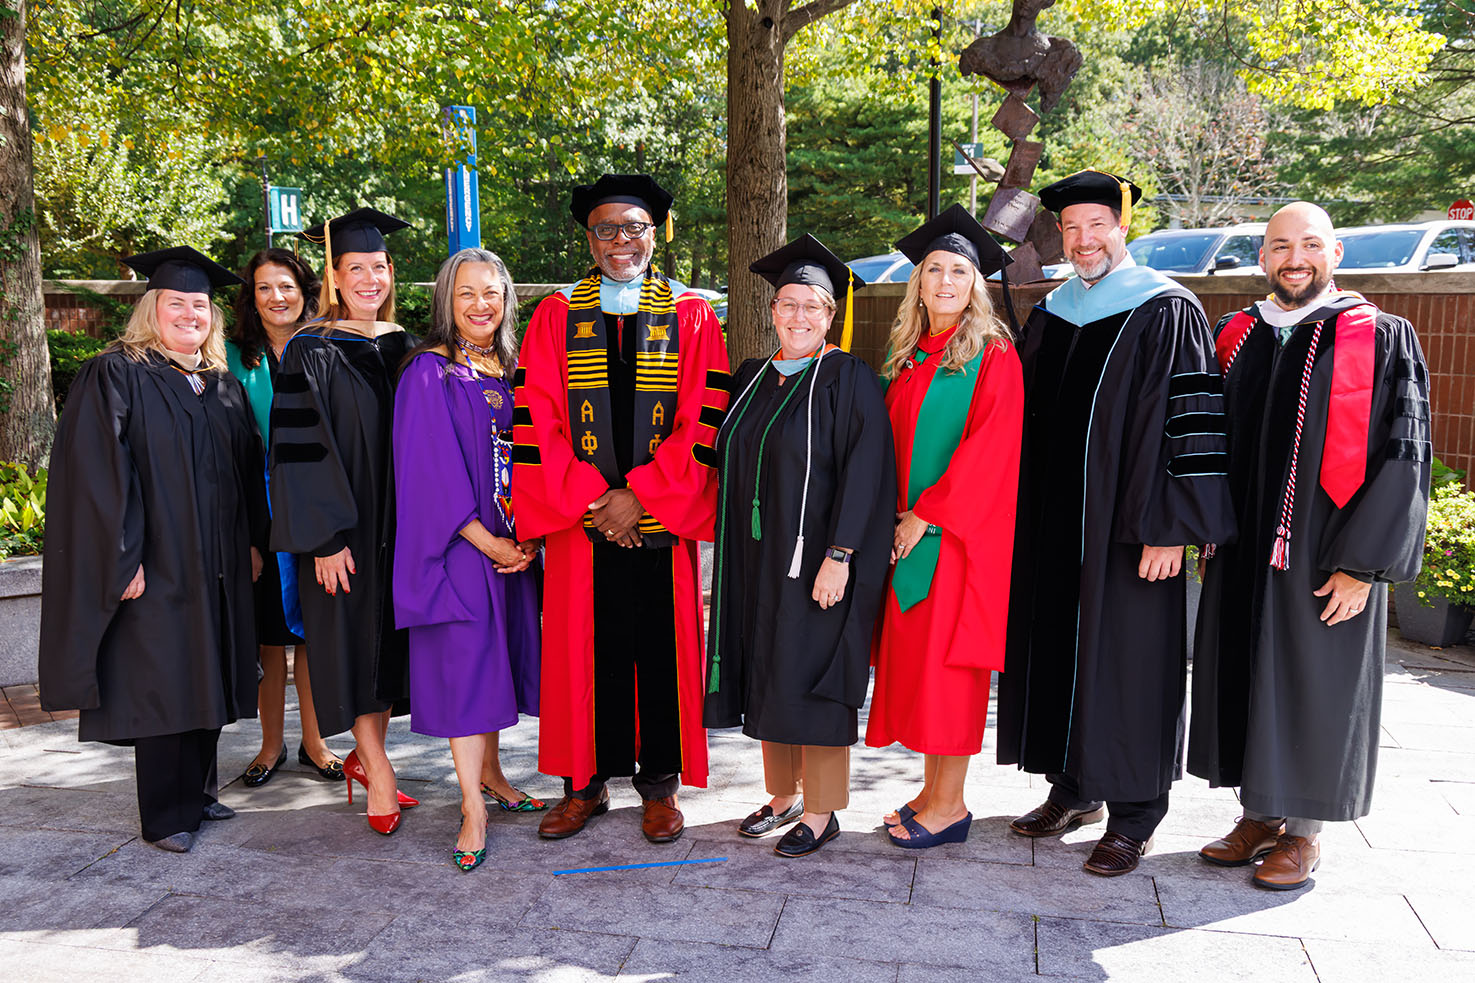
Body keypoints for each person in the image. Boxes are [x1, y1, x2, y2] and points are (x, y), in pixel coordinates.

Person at [996, 170, 1237, 875]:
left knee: (1129, 662)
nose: (1082, 239)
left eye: (1095, 224)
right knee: (1065, 650)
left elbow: (1190, 422)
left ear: (1121, 228)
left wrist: (1170, 524)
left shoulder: (1166, 309)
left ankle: (1134, 811)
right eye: (1070, 228)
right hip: (1053, 522)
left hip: (1130, 528)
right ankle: (1072, 786)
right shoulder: (1055, 309)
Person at [1189, 202, 1431, 891]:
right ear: (1262, 256)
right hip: (1243, 546)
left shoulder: (1379, 335)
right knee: (1247, 670)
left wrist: (1363, 564)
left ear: (1334, 253)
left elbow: (1403, 454)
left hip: (1324, 551)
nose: (1293, 257)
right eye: (1278, 246)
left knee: (1309, 680)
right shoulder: (1237, 334)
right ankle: (1258, 814)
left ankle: (1304, 833)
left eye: (1308, 244)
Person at [512, 173, 730, 843]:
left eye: (633, 228)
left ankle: (658, 787)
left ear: (654, 234)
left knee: (660, 654)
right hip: (584, 529)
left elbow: (704, 418)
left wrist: (639, 497)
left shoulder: (691, 314)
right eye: (605, 229)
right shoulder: (555, 315)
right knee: (583, 653)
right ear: (589, 237)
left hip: (659, 524)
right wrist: (593, 501)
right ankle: (584, 785)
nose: (620, 241)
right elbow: (538, 418)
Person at [38, 246, 267, 853]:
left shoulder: (220, 385)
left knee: (208, 668)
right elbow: (98, 474)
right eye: (177, 303)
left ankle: (199, 791)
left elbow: (243, 472)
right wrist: (122, 556)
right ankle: (166, 815)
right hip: (157, 559)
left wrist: (250, 541)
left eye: (201, 304)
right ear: (151, 309)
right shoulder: (117, 373)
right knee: (163, 679)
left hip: (215, 558)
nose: (191, 313)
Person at [704, 235, 894, 858]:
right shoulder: (751, 378)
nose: (799, 316)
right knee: (767, 668)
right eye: (789, 304)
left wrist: (841, 556)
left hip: (815, 563)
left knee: (811, 674)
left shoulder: (849, 378)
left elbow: (868, 473)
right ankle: (782, 796)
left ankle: (822, 809)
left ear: (831, 313)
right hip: (755, 560)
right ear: (773, 310)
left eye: (813, 305)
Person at [865, 205, 1025, 849]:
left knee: (951, 672)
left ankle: (952, 806)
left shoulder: (992, 355)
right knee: (919, 670)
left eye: (959, 270)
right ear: (919, 281)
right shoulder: (907, 353)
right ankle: (932, 792)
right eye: (935, 269)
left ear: (975, 283)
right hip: (904, 537)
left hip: (954, 541)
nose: (946, 281)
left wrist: (925, 515)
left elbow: (992, 450)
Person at [268, 207, 419, 835]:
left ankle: (369, 754)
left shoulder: (404, 343)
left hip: (402, 524)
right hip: (346, 529)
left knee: (385, 640)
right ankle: (379, 773)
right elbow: (296, 451)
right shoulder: (310, 349)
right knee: (352, 640)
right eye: (355, 268)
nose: (369, 279)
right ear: (332, 275)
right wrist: (323, 537)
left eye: (378, 267)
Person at [393, 248, 545, 872]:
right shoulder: (429, 372)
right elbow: (428, 474)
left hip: (513, 546)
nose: (481, 305)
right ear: (445, 303)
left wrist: (530, 538)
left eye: (493, 292)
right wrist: (491, 543)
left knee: (497, 667)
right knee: (465, 674)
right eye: (466, 294)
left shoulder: (512, 369)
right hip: (459, 550)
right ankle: (470, 808)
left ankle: (496, 776)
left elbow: (535, 456)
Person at [226, 248, 344, 788]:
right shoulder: (231, 358)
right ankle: (270, 745)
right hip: (261, 512)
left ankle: (315, 744)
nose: (277, 297)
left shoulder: (326, 346)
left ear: (305, 292)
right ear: (252, 297)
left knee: (313, 633)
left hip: (316, 509)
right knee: (271, 635)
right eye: (265, 287)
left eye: (287, 286)